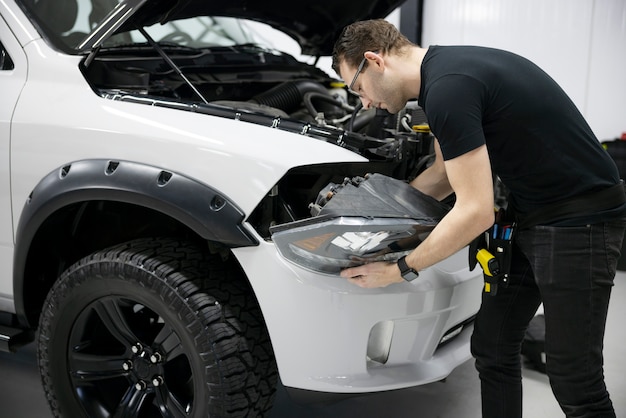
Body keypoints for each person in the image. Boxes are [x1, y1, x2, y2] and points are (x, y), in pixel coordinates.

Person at [333, 19, 626, 418]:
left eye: (357, 88)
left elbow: (475, 212)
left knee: (577, 381)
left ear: (374, 61)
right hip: (532, 212)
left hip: (580, 220)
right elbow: (442, 175)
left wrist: (398, 268)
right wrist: (377, 211)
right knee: (492, 349)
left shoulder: (447, 89)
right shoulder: (444, 74)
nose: (363, 103)